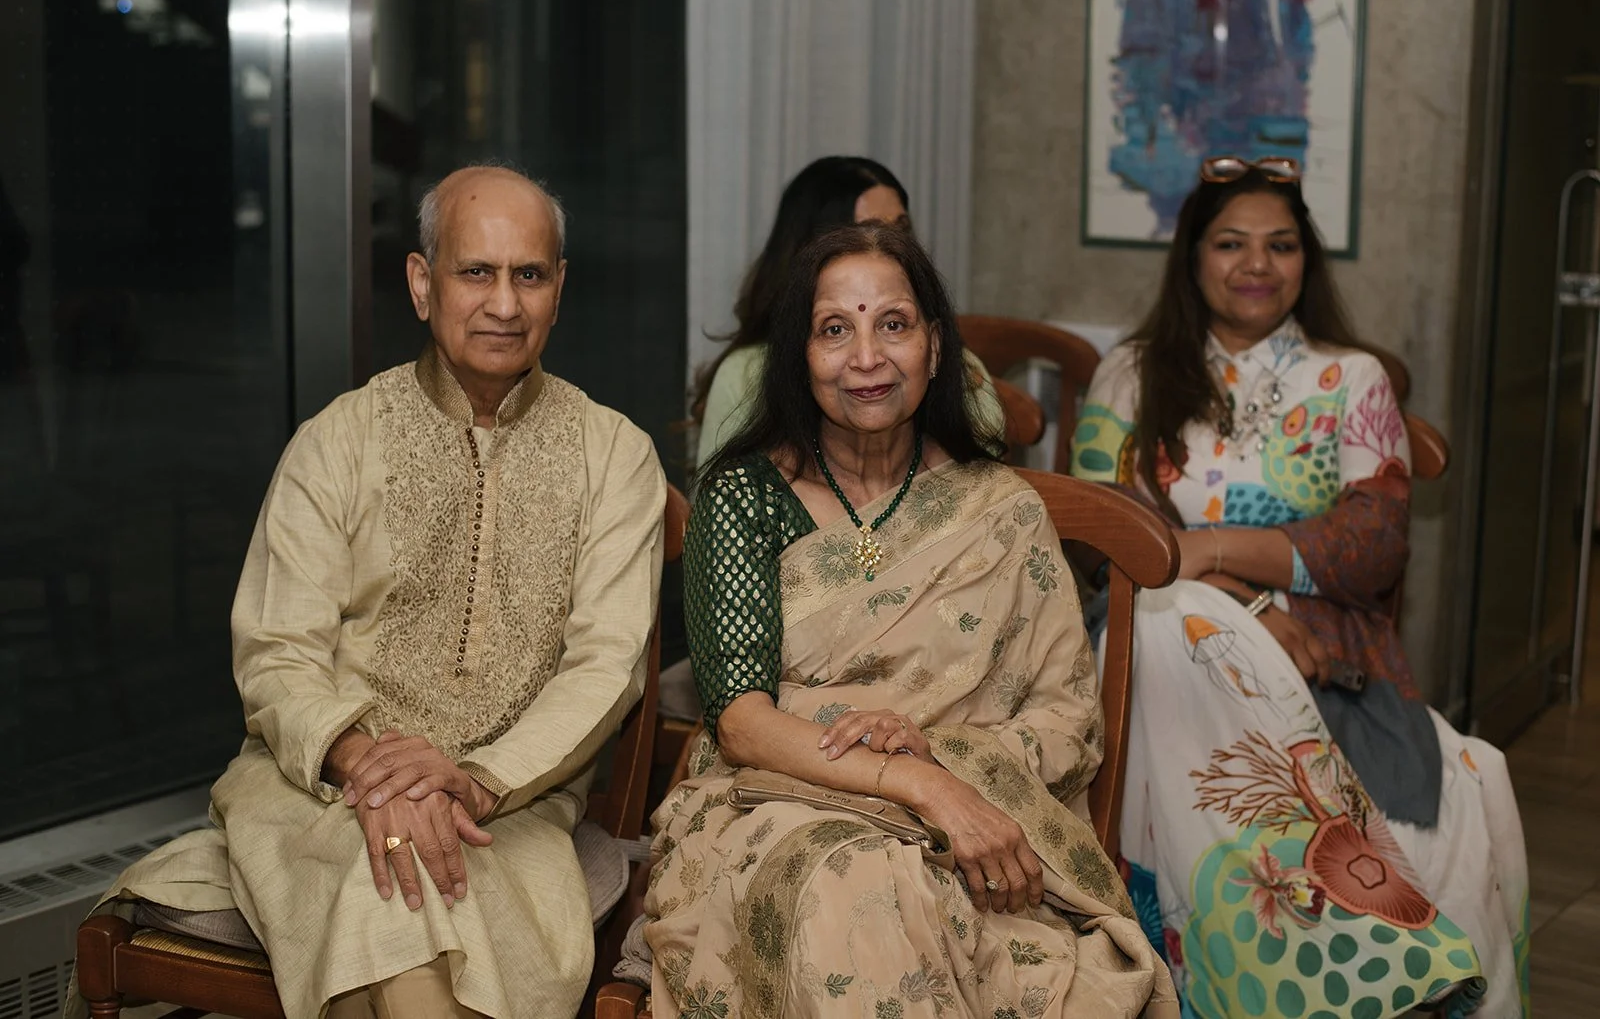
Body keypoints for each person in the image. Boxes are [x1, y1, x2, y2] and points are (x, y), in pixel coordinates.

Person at [69, 165, 666, 1019]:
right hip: (320, 788)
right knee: (384, 892)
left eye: (528, 274)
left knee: (409, 904)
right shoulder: (337, 441)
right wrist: (369, 769)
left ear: (558, 290)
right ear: (423, 285)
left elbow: (607, 665)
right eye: (476, 272)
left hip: (513, 803)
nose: (504, 303)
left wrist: (475, 782)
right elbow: (277, 651)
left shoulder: (616, 456)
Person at [645, 222, 1178, 1018]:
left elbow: (1069, 720)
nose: (866, 357)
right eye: (835, 330)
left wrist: (947, 755)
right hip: (777, 805)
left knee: (927, 915)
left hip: (981, 830)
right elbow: (744, 726)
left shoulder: (1000, 512)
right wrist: (925, 786)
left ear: (934, 345)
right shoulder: (744, 499)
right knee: (845, 891)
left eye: (892, 324)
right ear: (799, 354)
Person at [1069, 157, 1530, 1017]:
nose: (1257, 264)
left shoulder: (1352, 379)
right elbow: (1101, 540)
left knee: (1181, 611)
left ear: (1306, 263)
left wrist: (1200, 549)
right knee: (1178, 622)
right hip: (1149, 636)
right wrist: (1240, 601)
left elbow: (1370, 545)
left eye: (1281, 245)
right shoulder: (1131, 373)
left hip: (1317, 651)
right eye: (1231, 243)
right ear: (1193, 257)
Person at [693, 155, 1005, 470]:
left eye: (902, 230)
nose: (886, 247)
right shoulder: (744, 375)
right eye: (834, 331)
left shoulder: (953, 367)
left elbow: (987, 483)